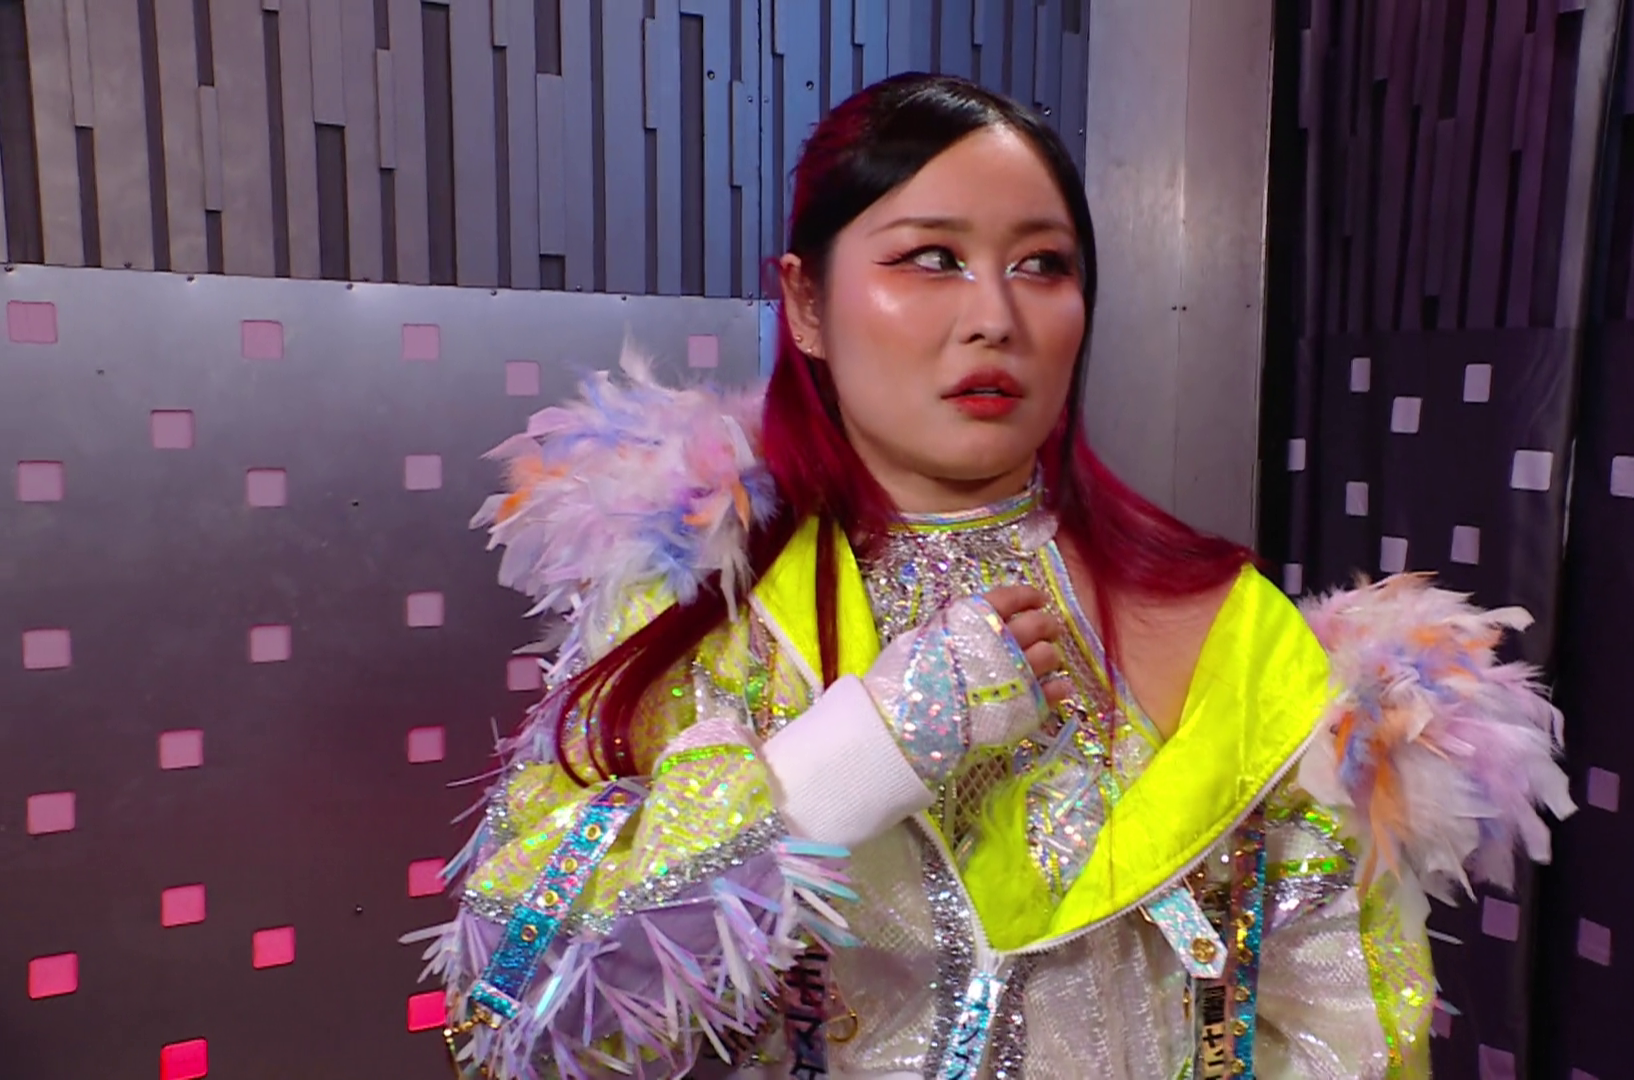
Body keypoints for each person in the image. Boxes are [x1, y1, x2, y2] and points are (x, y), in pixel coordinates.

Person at [411, 73, 1574, 1080]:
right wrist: (866, 749)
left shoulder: (1229, 628)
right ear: (807, 301)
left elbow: (1346, 1033)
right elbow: (522, 1025)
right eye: (932, 258)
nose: (995, 315)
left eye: (1041, 265)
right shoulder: (697, 608)